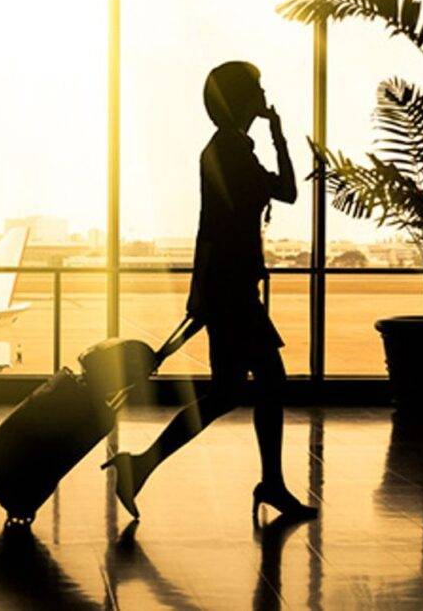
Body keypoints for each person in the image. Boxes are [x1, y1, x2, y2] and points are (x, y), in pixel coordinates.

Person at [102, 61, 317, 525]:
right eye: (257, 88)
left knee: (227, 393)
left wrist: (202, 295)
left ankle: (142, 465)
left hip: (226, 288)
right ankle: (268, 482)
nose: (264, 94)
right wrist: (279, 135)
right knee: (265, 383)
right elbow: (287, 191)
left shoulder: (226, 148)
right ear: (241, 99)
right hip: (233, 292)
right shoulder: (232, 152)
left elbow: (214, 227)